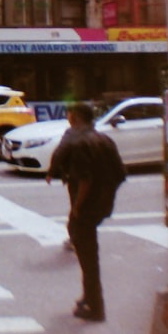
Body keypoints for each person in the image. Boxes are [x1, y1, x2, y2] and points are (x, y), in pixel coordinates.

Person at [46, 101, 127, 323]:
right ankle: (88, 297)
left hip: (86, 209)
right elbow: (120, 174)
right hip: (102, 205)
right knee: (87, 254)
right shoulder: (105, 140)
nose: (69, 122)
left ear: (78, 119)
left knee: (88, 259)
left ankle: (95, 307)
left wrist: (78, 207)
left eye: (71, 118)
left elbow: (85, 180)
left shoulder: (82, 144)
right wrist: (105, 196)